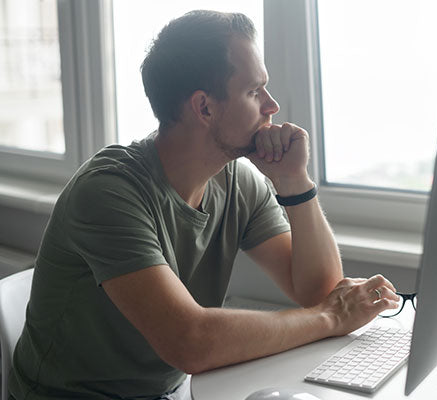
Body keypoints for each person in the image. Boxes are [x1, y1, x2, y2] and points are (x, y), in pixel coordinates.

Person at [9, 10, 400, 400]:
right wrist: (330, 317)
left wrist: (294, 184)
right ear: (204, 108)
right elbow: (191, 342)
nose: (272, 106)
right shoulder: (107, 192)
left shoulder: (236, 181)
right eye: (254, 91)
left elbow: (319, 290)